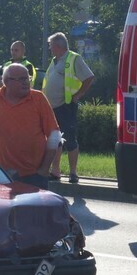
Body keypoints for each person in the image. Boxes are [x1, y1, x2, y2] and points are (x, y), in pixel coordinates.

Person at [42, 32, 95, 184]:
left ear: (58, 46)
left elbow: (89, 77)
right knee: (55, 140)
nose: (50, 49)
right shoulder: (55, 60)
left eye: (51, 46)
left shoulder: (74, 58)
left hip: (66, 106)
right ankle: (55, 171)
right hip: (52, 107)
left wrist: (78, 95)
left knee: (70, 140)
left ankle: (73, 173)